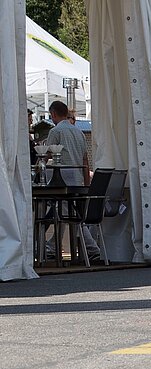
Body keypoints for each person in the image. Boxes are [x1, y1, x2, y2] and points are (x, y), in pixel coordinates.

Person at [45, 100, 101, 262]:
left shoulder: (56, 131)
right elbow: (85, 160)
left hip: (61, 179)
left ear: (54, 114)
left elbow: (47, 155)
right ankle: (52, 246)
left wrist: (38, 167)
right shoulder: (79, 133)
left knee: (67, 214)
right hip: (77, 180)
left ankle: (90, 248)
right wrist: (86, 183)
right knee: (69, 214)